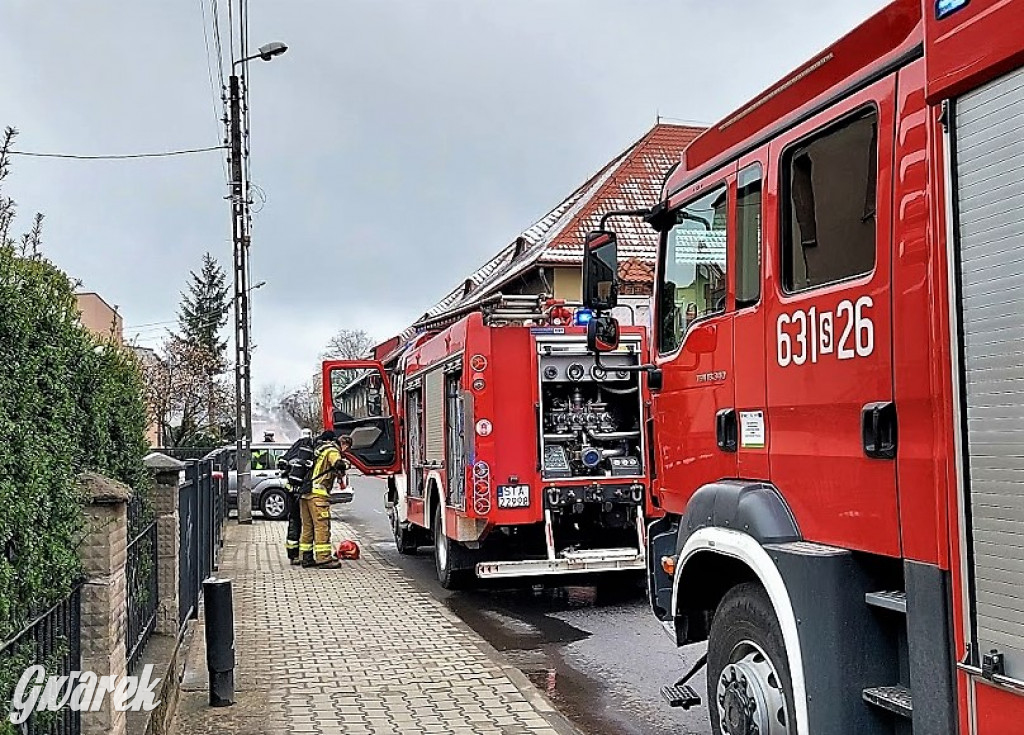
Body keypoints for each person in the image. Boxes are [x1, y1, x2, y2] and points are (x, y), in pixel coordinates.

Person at [299, 431, 350, 569]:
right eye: (346, 449)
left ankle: (306, 557)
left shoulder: (320, 449)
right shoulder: (332, 451)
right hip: (318, 496)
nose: (345, 452)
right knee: (322, 527)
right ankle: (324, 558)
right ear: (344, 444)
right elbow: (338, 464)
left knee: (308, 527)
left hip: (305, 493)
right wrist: (346, 464)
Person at [277, 428, 313, 565]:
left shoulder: (294, 449)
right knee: (305, 523)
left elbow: (282, 465)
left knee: (293, 521)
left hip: (290, 492)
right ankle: (304, 554)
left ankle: (293, 555)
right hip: (301, 494)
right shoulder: (309, 450)